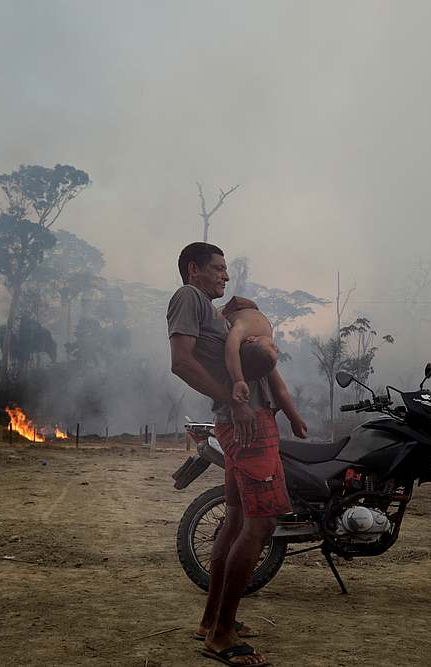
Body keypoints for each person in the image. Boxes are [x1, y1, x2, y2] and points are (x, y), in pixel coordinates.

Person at [168, 242, 307, 667]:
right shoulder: (188, 297)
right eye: (218, 268)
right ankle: (222, 637)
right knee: (261, 524)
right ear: (194, 269)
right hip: (246, 423)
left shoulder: (216, 314)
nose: (225, 277)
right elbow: (181, 361)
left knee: (234, 520)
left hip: (244, 420)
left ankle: (211, 620)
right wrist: (235, 398)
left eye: (227, 270)